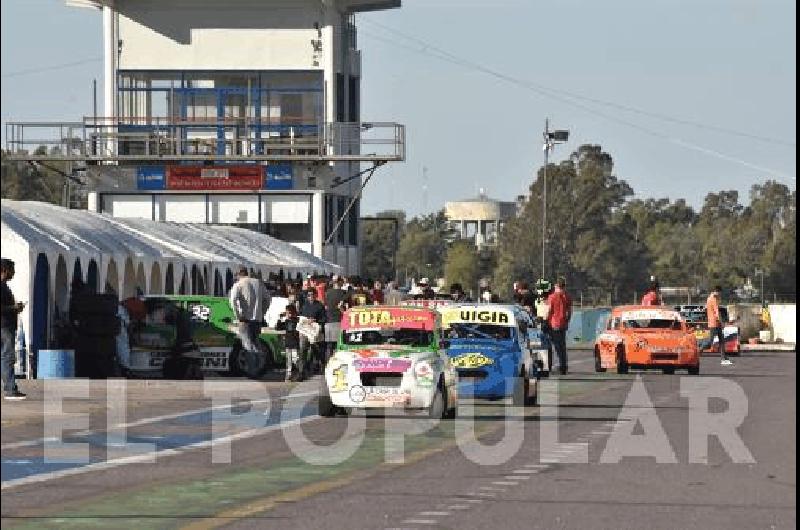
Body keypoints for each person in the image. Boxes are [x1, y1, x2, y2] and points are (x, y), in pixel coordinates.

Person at [229, 267, 271, 366]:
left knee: (248, 346)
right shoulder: (258, 283)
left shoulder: (238, 284)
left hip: (245, 320)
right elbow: (268, 299)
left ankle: (253, 368)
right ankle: (261, 365)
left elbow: (232, 301)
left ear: (239, 274)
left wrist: (238, 315)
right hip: (257, 319)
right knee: (256, 343)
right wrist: (262, 312)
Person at [1, 258, 26, 400]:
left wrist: (15, 308)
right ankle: (10, 389)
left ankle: (10, 387)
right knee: (7, 357)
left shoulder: (4, 286)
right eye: (12, 270)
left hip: (6, 326)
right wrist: (14, 308)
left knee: (5, 357)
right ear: (4, 271)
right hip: (4, 327)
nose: (14, 273)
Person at [545, 277, 572, 375]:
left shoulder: (552, 297)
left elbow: (549, 311)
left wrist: (545, 321)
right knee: (562, 346)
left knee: (555, 346)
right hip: (563, 324)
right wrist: (567, 321)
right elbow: (569, 312)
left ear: (556, 286)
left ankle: (558, 366)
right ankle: (564, 366)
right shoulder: (567, 297)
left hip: (554, 324)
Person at [299, 289, 327, 373]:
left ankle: (317, 367)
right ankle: (301, 371)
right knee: (302, 350)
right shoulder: (304, 305)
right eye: (309, 295)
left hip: (315, 332)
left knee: (316, 351)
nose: (310, 297)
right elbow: (300, 317)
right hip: (305, 331)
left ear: (315, 295)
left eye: (312, 295)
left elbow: (324, 318)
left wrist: (316, 320)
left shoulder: (320, 306)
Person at [324, 276, 349, 362]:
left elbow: (326, 306)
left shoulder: (327, 293)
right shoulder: (344, 293)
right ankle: (340, 363)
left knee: (329, 346)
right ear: (340, 282)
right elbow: (346, 308)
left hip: (329, 321)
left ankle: (328, 364)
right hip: (340, 321)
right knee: (341, 346)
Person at [707, 285, 733, 366]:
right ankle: (698, 349)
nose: (720, 295)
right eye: (720, 293)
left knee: (721, 341)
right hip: (714, 323)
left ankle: (724, 358)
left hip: (715, 322)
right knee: (710, 341)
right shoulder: (713, 299)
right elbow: (717, 312)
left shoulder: (710, 298)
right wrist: (722, 323)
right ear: (717, 291)